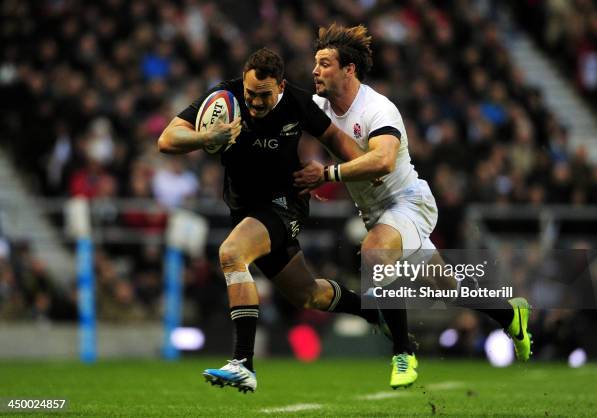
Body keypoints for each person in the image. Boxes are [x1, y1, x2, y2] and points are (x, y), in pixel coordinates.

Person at [294, 23, 532, 387]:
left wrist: (327, 174)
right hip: (376, 212)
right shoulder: (319, 106)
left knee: (373, 254)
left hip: (408, 202)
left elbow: (384, 161)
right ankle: (508, 314)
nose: (315, 70)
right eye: (315, 63)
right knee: (444, 287)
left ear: (349, 69)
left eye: (325, 63)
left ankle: (403, 354)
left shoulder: (377, 109)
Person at [158, 47, 408, 393]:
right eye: (250, 95)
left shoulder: (297, 102)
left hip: (283, 204)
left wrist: (361, 167)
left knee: (232, 254)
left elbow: (333, 136)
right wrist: (206, 137)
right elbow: (167, 138)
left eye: (263, 96)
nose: (255, 104)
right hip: (244, 210)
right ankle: (374, 313)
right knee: (308, 295)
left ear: (281, 87)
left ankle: (243, 363)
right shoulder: (223, 97)